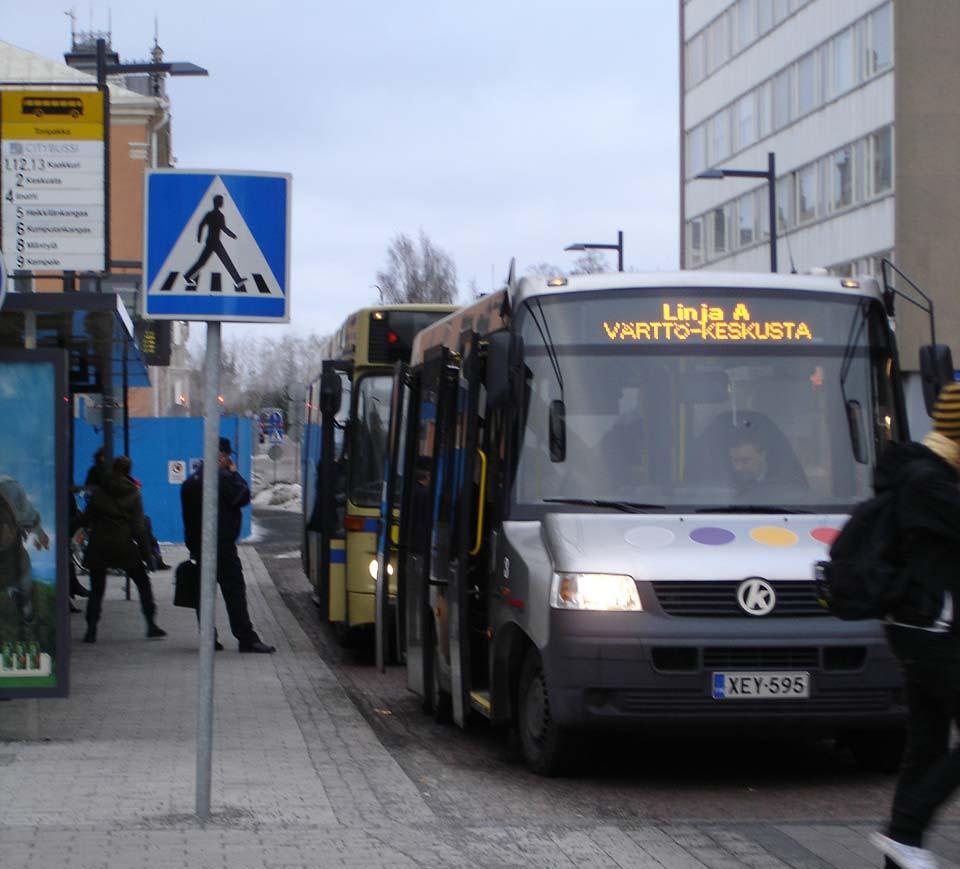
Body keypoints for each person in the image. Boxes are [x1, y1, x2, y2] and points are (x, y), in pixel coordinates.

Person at [870, 382, 960, 869]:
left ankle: (900, 850)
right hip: (931, 631)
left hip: (920, 629)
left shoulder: (926, 474)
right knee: (927, 747)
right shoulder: (931, 483)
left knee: (926, 747)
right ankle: (905, 837)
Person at [180, 437, 275, 653]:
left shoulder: (191, 481)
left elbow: (187, 518)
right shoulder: (222, 478)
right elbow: (243, 496)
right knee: (235, 593)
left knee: (204, 595)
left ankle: (208, 638)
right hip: (222, 547)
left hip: (199, 548)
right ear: (221, 456)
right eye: (228, 456)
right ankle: (246, 638)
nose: (229, 460)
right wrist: (233, 473)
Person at [82, 456, 166, 643]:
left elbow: (87, 518)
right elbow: (139, 527)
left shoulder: (99, 491)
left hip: (99, 544)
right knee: (143, 584)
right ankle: (151, 624)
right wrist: (147, 555)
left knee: (96, 589)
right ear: (129, 471)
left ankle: (91, 630)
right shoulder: (134, 493)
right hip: (124, 546)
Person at [0, 475, 50, 627]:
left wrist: (40, 534)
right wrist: (40, 534)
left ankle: (24, 607)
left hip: (11, 551)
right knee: (21, 572)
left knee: (22, 572)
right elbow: (28, 515)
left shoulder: (9, 487)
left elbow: (27, 514)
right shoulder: (9, 486)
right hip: (11, 551)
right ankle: (24, 607)